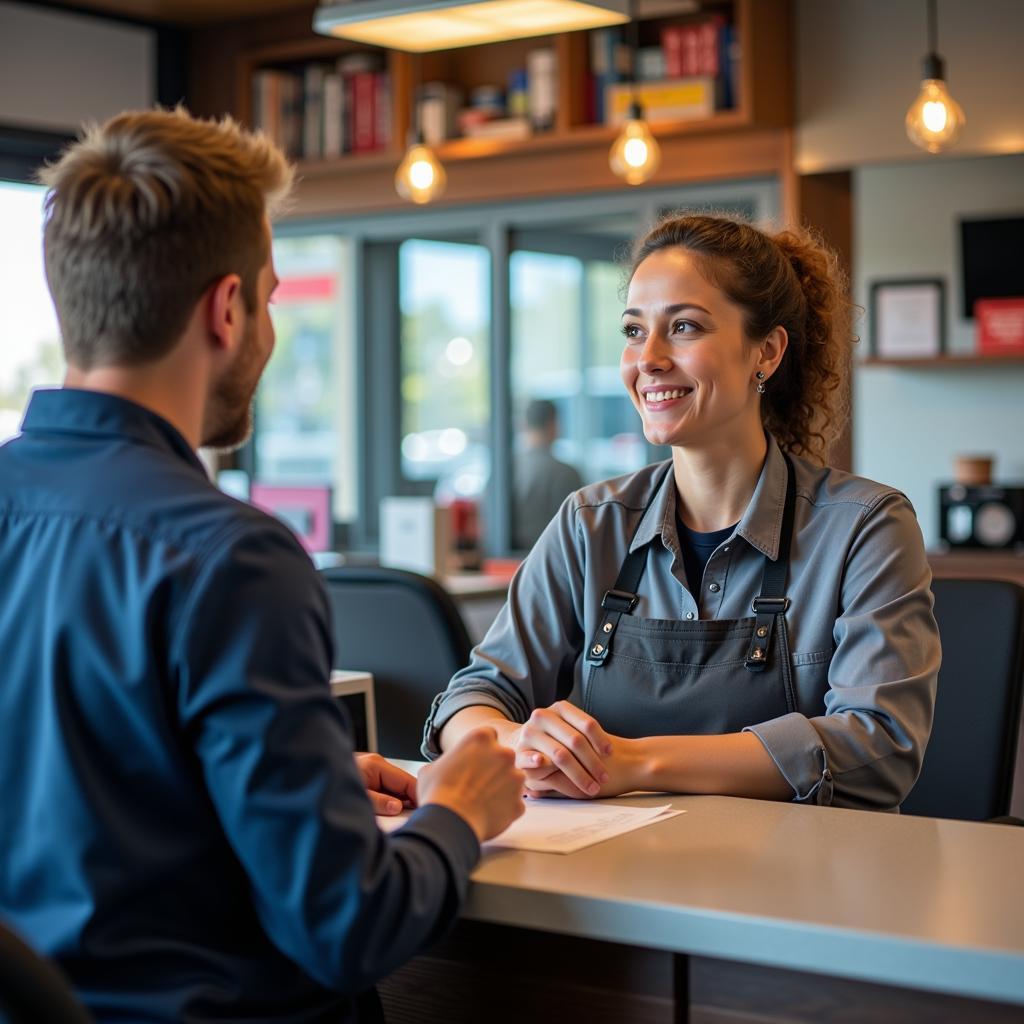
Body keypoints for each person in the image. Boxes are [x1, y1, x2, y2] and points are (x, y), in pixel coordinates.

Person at [0, 108, 524, 1024]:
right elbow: (345, 927)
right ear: (228, 308)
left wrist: (293, 781)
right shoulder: (230, 557)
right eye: (274, 298)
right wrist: (461, 811)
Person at [425, 214, 940, 811]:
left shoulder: (864, 527)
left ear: (766, 352)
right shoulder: (589, 524)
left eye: (685, 327)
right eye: (633, 330)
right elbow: (473, 697)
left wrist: (633, 762)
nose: (648, 358)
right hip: (608, 873)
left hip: (800, 884)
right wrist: (526, 742)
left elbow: (879, 744)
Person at [512, 398, 584, 549]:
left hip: (504, 565)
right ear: (554, 424)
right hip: (551, 562)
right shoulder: (566, 474)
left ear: (524, 425)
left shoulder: (507, 471)